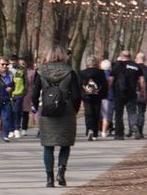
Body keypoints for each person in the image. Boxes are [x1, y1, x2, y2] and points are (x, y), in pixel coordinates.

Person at [31, 44, 81, 187]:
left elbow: (35, 94)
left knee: (48, 145)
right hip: (66, 111)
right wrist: (74, 110)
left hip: (47, 112)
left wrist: (36, 109)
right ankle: (61, 171)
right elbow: (77, 95)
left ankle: (49, 178)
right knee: (65, 144)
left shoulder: (40, 72)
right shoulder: (70, 72)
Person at [109, 50, 144, 139]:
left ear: (121, 56)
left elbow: (110, 80)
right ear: (130, 56)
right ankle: (134, 125)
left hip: (119, 93)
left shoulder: (116, 66)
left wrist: (107, 90)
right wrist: (142, 91)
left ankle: (119, 134)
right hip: (131, 93)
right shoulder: (136, 66)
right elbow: (142, 80)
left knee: (118, 114)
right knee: (132, 112)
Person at [78, 56, 108, 141]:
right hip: (97, 95)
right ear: (96, 63)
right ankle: (95, 133)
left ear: (87, 63)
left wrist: (80, 96)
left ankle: (89, 129)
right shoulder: (101, 73)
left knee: (88, 113)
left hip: (86, 95)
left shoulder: (82, 73)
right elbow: (105, 84)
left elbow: (79, 85)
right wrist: (104, 95)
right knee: (96, 113)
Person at [0, 58, 16, 142]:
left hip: (6, 98)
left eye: (6, 64)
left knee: (6, 117)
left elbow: (13, 85)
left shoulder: (10, 74)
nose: (4, 66)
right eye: (2, 64)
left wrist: (11, 88)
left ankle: (5, 135)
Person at [134, 52, 147, 138]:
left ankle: (133, 128)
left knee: (132, 112)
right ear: (144, 60)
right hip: (144, 93)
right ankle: (140, 131)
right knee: (141, 112)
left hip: (132, 93)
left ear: (136, 59)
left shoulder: (132, 68)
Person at [10, 58, 26, 138]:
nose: (13, 63)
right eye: (12, 62)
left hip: (19, 93)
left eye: (15, 62)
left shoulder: (22, 70)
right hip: (10, 94)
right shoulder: (8, 70)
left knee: (17, 111)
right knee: (11, 111)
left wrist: (24, 92)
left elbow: (25, 81)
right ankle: (11, 129)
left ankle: (16, 128)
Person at [100, 58, 114, 138]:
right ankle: (104, 131)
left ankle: (100, 129)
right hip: (109, 96)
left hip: (100, 96)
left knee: (101, 114)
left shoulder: (99, 74)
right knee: (106, 115)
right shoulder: (111, 74)